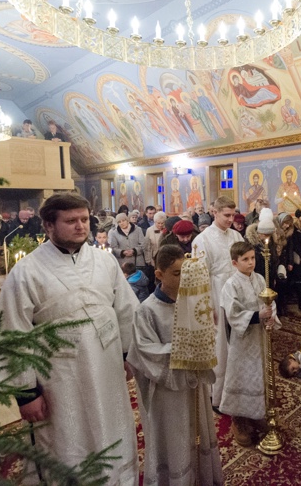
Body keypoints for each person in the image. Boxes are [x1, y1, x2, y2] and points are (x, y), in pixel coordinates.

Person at [0, 193, 138, 484]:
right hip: (60, 379)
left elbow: (126, 311)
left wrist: (127, 353)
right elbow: (12, 332)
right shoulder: (26, 271)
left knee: (112, 430)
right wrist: (26, 393)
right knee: (67, 441)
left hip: (107, 370)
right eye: (71, 221)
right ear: (48, 226)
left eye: (84, 219)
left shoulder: (104, 262)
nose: (81, 226)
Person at [126, 245, 223, 485]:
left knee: (199, 430)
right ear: (159, 275)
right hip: (166, 392)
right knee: (174, 438)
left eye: (186, 274)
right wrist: (187, 348)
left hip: (194, 383)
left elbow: (206, 333)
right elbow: (146, 353)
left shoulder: (191, 303)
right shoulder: (147, 311)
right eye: (177, 274)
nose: (183, 280)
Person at [219, 241, 278, 446]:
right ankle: (239, 420)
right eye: (245, 259)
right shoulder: (230, 284)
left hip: (259, 336)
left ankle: (257, 413)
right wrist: (256, 315)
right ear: (235, 263)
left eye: (253, 258)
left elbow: (270, 301)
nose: (251, 262)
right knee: (242, 375)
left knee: (259, 373)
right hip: (242, 340)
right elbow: (233, 314)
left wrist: (271, 316)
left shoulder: (260, 278)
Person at [191, 196, 244, 409]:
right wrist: (208, 305)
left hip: (237, 293)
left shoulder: (236, 235)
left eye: (233, 215)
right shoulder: (202, 240)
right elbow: (200, 276)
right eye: (227, 215)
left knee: (238, 342)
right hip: (216, 294)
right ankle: (218, 393)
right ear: (215, 213)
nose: (231, 219)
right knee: (219, 345)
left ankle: (237, 387)